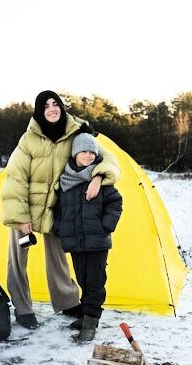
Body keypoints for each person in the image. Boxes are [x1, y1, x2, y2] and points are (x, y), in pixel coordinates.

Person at [1, 90, 120, 330]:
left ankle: (67, 301)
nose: (52, 109)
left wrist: (98, 177)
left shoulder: (77, 132)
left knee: (58, 257)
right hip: (26, 208)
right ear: (39, 111)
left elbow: (109, 161)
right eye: (46, 106)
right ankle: (22, 307)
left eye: (55, 104)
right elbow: (15, 179)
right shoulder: (28, 139)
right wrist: (21, 218)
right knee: (19, 257)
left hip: (57, 209)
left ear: (62, 107)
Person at [53, 133, 123, 341]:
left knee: (95, 282)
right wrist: (61, 228)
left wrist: (105, 226)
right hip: (75, 242)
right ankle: (86, 316)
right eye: (84, 151)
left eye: (92, 151)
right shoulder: (66, 183)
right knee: (82, 279)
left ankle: (91, 323)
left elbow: (115, 204)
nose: (89, 155)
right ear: (75, 153)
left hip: (97, 242)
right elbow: (58, 210)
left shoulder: (101, 178)